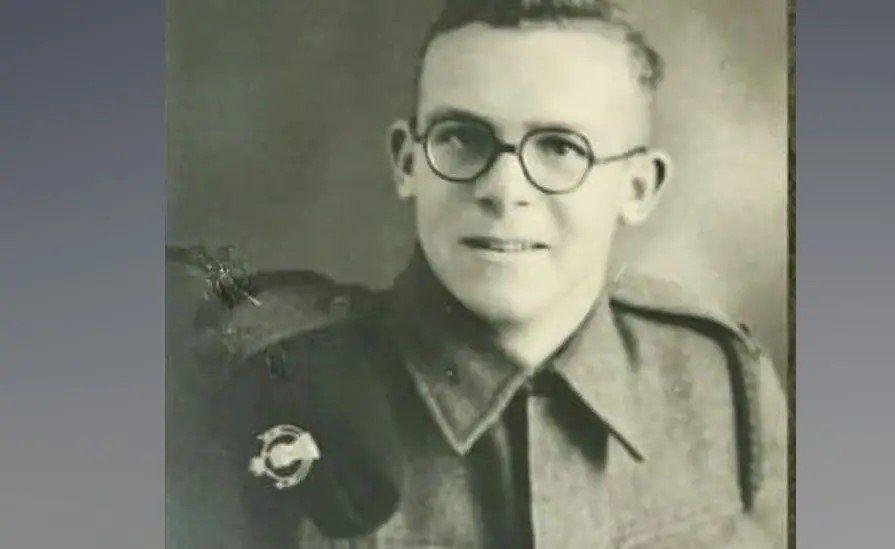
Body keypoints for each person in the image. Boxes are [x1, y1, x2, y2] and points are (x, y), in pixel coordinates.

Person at [177, 0, 787, 547]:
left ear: (638, 188)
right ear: (407, 163)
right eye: (462, 138)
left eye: (560, 148)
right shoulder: (265, 393)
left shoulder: (721, 382)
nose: (502, 190)